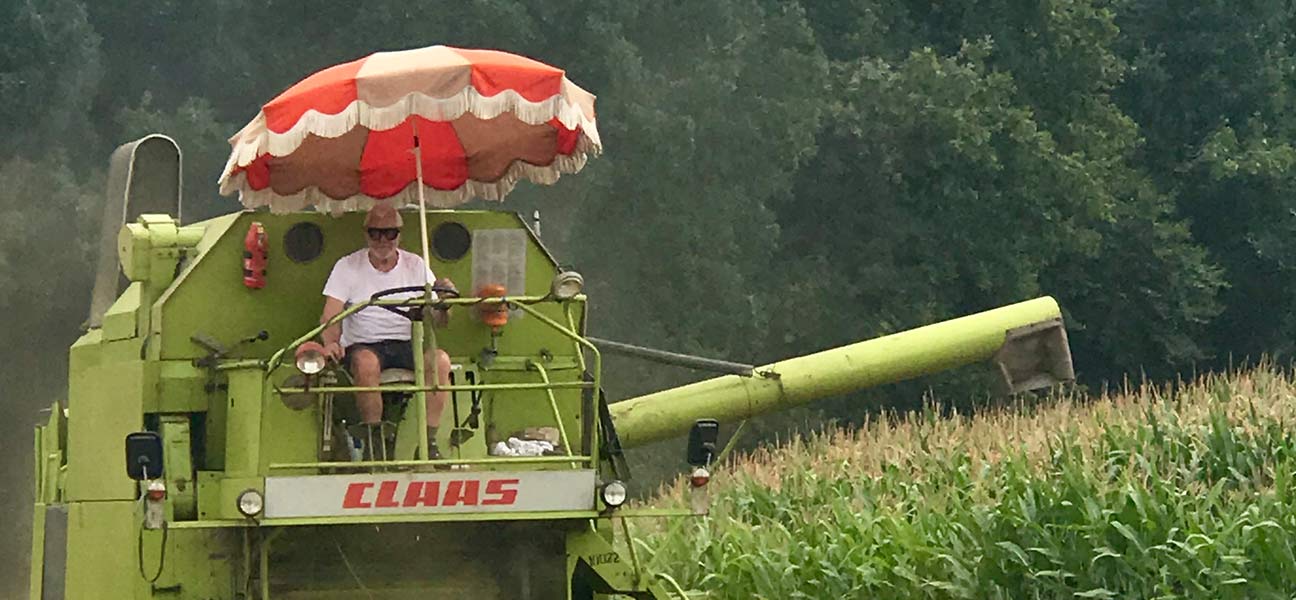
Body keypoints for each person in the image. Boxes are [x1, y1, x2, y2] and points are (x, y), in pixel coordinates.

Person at [318, 203, 453, 460]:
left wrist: (444, 304)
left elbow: (438, 319)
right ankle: (374, 444)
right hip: (363, 344)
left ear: (399, 234)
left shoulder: (416, 265)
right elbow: (331, 314)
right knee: (366, 363)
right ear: (365, 233)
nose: (382, 240)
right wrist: (331, 343)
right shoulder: (347, 266)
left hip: (406, 343)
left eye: (389, 233)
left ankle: (429, 444)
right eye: (375, 233)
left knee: (440, 361)